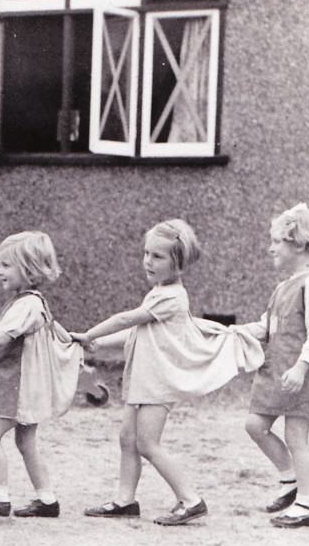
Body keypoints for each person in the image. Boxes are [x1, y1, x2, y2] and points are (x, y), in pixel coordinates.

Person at [74, 220, 262, 526]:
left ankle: (191, 499)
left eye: (158, 256)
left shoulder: (172, 296)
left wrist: (89, 334)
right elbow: (136, 333)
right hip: (143, 381)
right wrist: (95, 344)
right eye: (146, 253)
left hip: (158, 383)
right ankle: (125, 500)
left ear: (178, 262)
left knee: (148, 443)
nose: (148, 261)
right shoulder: (158, 293)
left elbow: (126, 319)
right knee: (127, 438)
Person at [0, 232, 81, 518]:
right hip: (28, 385)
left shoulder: (26, 305)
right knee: (25, 441)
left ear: (28, 268)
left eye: (6, 265)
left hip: (18, 385)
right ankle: (47, 500)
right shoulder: (34, 302)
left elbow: (1, 338)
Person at [235, 204, 309, 528]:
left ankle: (307, 504)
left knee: (296, 436)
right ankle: (289, 480)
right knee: (255, 425)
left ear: (299, 244)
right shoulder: (284, 286)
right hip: (278, 373)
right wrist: (235, 332)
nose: (270, 247)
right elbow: (267, 327)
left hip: (300, 376)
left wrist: (302, 368)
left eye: (277, 241)